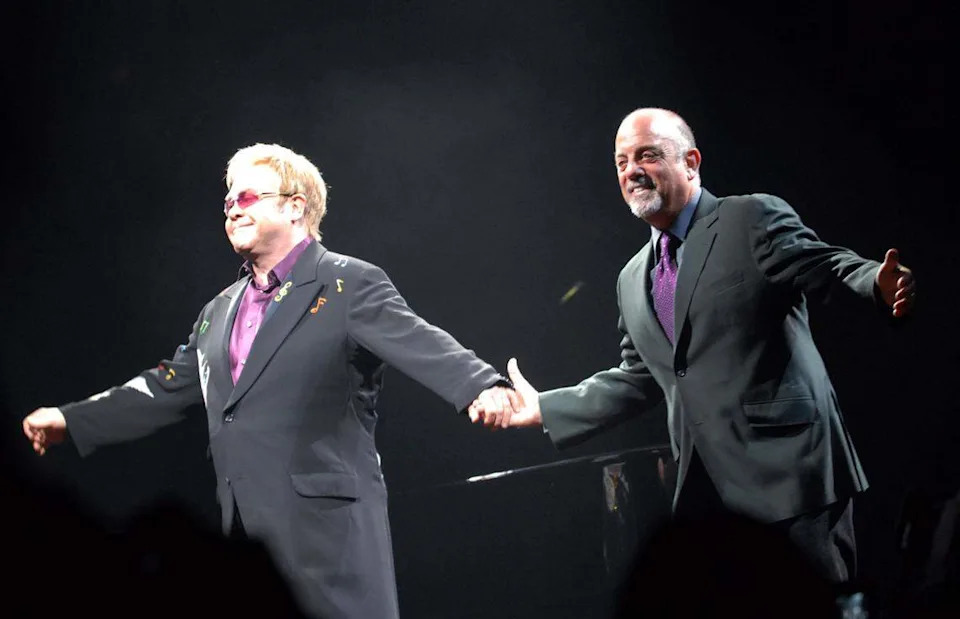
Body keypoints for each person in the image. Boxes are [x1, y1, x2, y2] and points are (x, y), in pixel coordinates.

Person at [22, 142, 518, 619]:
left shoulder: (345, 282)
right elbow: (167, 385)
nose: (232, 210)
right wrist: (72, 419)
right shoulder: (218, 310)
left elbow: (419, 340)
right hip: (244, 542)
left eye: (247, 197)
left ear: (296, 207)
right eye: (227, 201)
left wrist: (480, 385)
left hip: (326, 537)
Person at [469, 107, 916, 584]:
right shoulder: (632, 277)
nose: (631, 171)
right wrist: (545, 408)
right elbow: (639, 376)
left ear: (691, 162)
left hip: (793, 481)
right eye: (621, 162)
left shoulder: (748, 218)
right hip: (709, 500)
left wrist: (876, 282)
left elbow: (826, 266)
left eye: (647, 156)